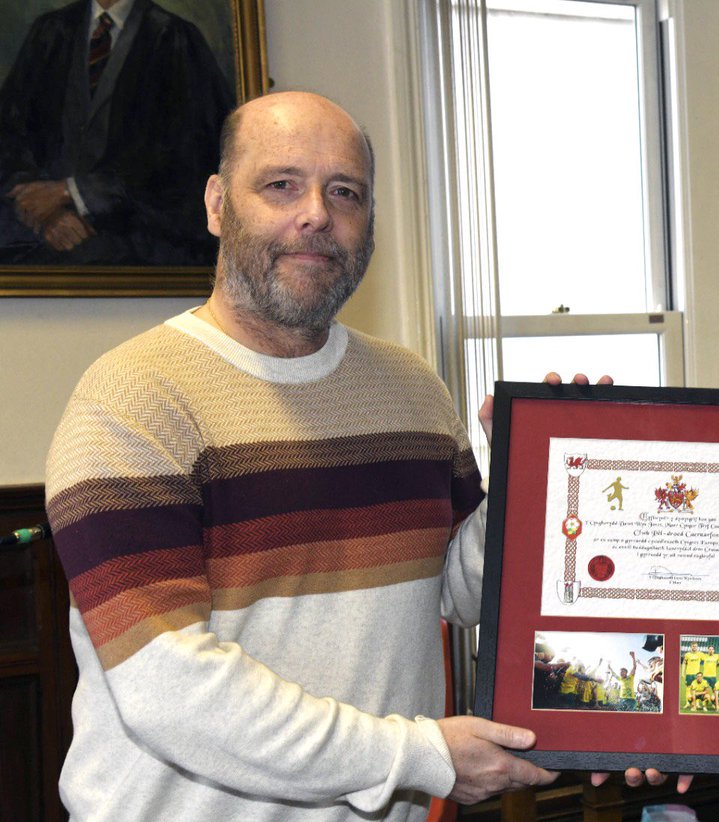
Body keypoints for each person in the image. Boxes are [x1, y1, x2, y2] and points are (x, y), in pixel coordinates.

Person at [44, 91, 558, 821]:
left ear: (369, 223)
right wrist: (417, 757)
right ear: (218, 205)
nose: (317, 213)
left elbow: (457, 592)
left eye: (344, 192)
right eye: (281, 184)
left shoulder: (412, 390)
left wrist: (527, 480)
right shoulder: (134, 398)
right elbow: (169, 689)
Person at [0, 0, 234, 264]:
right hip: (39, 239)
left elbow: (189, 160)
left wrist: (74, 192)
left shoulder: (174, 38)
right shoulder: (50, 32)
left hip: (142, 243)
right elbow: (10, 137)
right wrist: (45, 213)